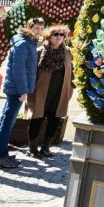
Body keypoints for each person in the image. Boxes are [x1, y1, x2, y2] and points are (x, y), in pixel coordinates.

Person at [0, 19, 41, 168]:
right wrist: (23, 91)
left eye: (41, 28)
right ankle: (0, 157)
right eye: (36, 28)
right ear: (29, 27)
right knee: (8, 122)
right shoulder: (23, 44)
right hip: (17, 89)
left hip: (15, 88)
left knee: (5, 120)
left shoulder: (28, 42)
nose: (39, 31)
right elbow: (19, 70)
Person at [27, 25, 73, 158]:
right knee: (37, 119)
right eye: (56, 34)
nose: (59, 37)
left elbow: (71, 71)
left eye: (61, 35)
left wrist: (70, 88)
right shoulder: (40, 51)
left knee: (55, 119)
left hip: (59, 93)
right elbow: (31, 72)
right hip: (41, 92)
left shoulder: (67, 52)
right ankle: (32, 148)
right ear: (49, 36)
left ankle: (46, 147)